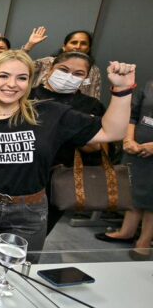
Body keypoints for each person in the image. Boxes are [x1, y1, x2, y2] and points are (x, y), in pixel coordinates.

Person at [0, 50, 135, 254]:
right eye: (3, 76)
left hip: (28, 213)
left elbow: (112, 132)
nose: (12, 84)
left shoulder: (50, 113)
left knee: (17, 270)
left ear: (29, 83)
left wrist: (122, 90)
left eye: (22, 78)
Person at [29, 51, 106, 234]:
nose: (69, 77)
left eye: (78, 74)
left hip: (56, 179)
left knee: (37, 232)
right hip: (15, 171)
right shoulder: (28, 94)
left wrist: (75, 132)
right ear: (51, 68)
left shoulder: (90, 105)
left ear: (86, 78)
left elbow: (95, 146)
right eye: (63, 70)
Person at [95, 79, 153, 259]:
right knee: (132, 189)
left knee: (151, 198)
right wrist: (128, 140)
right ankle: (126, 231)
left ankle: (144, 242)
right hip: (135, 148)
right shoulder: (149, 85)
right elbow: (133, 114)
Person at [25, 29, 102, 99]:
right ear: (64, 47)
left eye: (83, 43)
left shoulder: (93, 70)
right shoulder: (47, 62)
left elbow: (93, 95)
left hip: (73, 107)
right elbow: (20, 67)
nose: (78, 46)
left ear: (88, 49)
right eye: (74, 42)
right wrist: (29, 45)